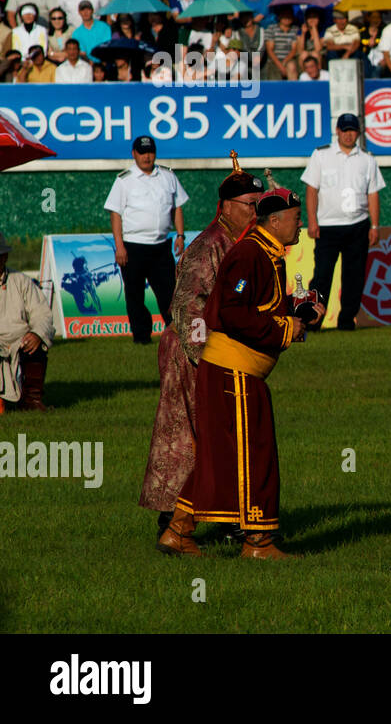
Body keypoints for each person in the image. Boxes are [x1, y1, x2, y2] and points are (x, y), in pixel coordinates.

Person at [166, 185, 325, 560]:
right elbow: (234, 312)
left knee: (219, 456)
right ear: (274, 221)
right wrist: (284, 329)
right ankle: (258, 542)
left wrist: (298, 311)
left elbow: (260, 304)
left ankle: (178, 530)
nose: (300, 225)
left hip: (235, 372)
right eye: (296, 218)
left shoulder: (268, 253)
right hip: (232, 373)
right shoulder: (249, 253)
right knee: (256, 455)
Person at [140, 153, 264, 541]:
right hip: (192, 351)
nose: (255, 212)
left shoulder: (239, 242)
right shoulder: (209, 243)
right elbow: (188, 303)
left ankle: (222, 514)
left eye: (260, 206)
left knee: (218, 432)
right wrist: (207, 358)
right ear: (226, 206)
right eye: (249, 206)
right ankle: (175, 519)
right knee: (189, 434)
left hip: (217, 349)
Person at [302, 113, 385, 331]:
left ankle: (347, 321)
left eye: (352, 130)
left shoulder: (367, 159)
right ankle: (313, 320)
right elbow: (312, 190)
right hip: (328, 227)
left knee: (354, 277)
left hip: (358, 225)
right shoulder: (321, 155)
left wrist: (374, 226)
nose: (348, 135)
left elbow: (373, 194)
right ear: (337, 131)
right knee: (321, 277)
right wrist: (312, 221)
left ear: (358, 132)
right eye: (345, 130)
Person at [104, 136, 188, 345]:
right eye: (142, 153)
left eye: (150, 152)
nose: (147, 156)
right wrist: (119, 246)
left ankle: (175, 334)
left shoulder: (168, 176)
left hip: (161, 246)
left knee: (169, 293)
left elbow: (177, 206)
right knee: (135, 295)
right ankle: (141, 337)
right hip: (133, 246)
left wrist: (180, 235)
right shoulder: (124, 180)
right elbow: (115, 213)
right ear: (134, 154)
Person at [0, 230, 55, 413]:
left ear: (5, 257)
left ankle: (31, 400)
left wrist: (37, 334)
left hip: (18, 341)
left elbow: (42, 314)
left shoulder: (21, 282)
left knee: (36, 345)